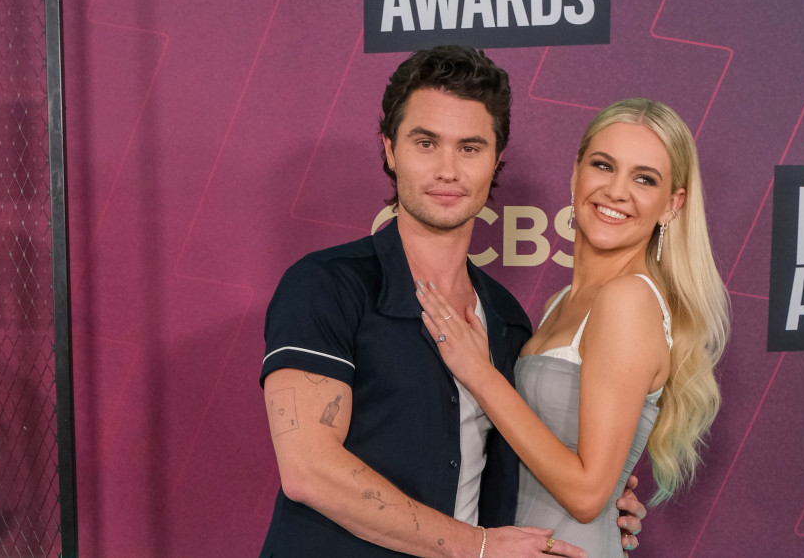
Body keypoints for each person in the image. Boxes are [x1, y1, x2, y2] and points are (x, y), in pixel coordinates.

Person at [259, 46, 646, 557]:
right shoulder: (325, 286)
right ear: (390, 150)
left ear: (495, 159)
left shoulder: (508, 321)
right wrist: (476, 547)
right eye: (426, 143)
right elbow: (309, 470)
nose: (448, 170)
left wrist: (602, 503)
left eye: (470, 148)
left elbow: (528, 464)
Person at [417, 99, 730, 556]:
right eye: (603, 166)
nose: (617, 191)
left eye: (644, 179)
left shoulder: (628, 300)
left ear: (672, 204)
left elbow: (586, 496)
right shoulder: (561, 303)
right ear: (575, 174)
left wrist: (480, 373)